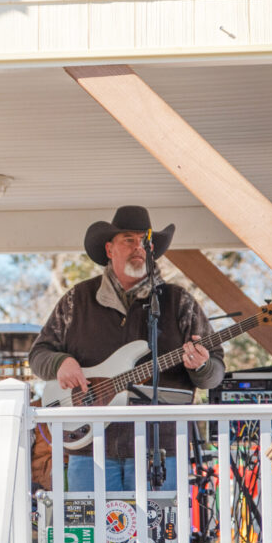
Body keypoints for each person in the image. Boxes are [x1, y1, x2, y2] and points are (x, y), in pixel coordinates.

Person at [28, 205, 224, 492]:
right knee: (92, 536)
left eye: (145, 241)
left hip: (159, 450)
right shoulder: (77, 300)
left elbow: (216, 371)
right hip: (89, 449)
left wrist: (202, 366)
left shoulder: (178, 301)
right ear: (109, 249)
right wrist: (60, 363)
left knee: (155, 536)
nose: (139, 248)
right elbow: (38, 355)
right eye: (129, 240)